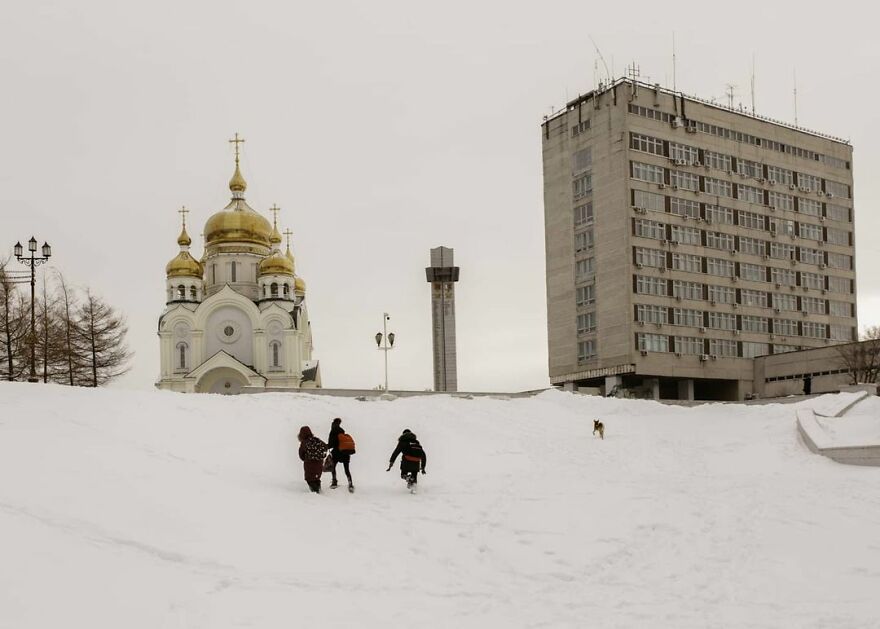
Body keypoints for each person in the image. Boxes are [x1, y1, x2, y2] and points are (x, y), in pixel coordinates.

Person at [298, 426, 328, 493]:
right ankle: (318, 490)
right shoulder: (317, 440)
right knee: (316, 478)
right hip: (319, 463)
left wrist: (305, 458)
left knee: (310, 478)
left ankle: (315, 493)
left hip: (309, 463)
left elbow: (301, 454)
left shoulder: (304, 442)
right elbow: (325, 447)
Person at [327, 417, 355, 492]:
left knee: (333, 467)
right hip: (345, 452)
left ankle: (334, 482)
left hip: (336, 452)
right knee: (346, 469)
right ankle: (350, 483)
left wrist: (327, 446)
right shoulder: (342, 431)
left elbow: (331, 444)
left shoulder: (333, 431)